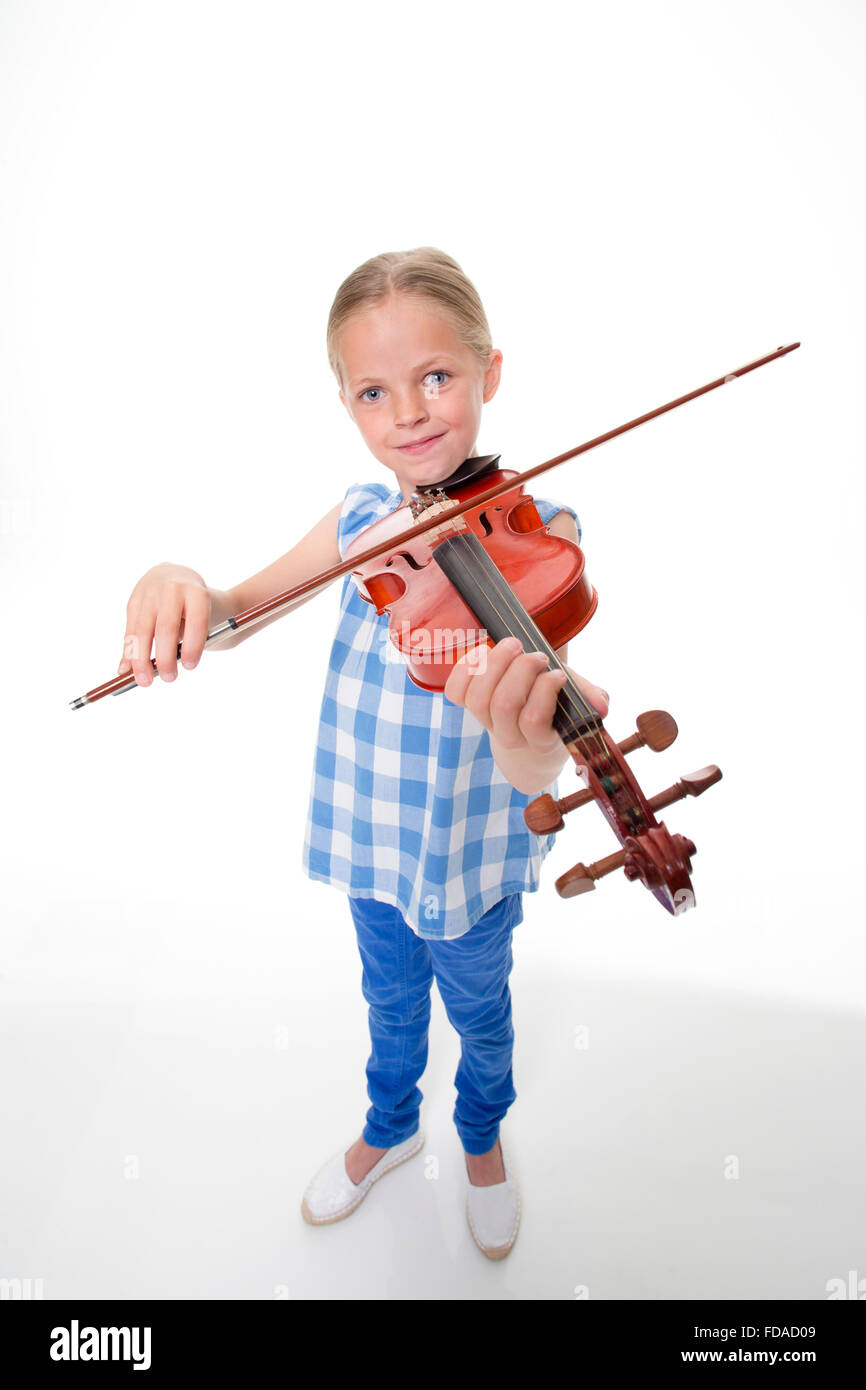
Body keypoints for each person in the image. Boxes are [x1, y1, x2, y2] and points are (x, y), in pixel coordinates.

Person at [117, 247, 608, 1261]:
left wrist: (528, 750)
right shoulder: (355, 525)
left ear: (488, 374)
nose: (412, 412)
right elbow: (235, 609)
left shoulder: (538, 533)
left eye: (437, 377)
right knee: (387, 1001)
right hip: (372, 843)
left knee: (480, 1008)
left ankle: (479, 1137)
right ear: (347, 406)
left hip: (471, 854)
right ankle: (389, 1127)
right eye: (374, 391)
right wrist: (180, 580)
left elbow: (535, 765)